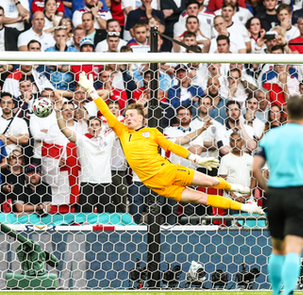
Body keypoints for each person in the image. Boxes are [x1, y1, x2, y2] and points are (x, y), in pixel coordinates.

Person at [77, 72, 263, 215]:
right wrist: (89, 89)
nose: (127, 118)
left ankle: (235, 190)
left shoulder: (153, 132)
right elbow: (105, 110)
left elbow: (172, 147)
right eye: (126, 116)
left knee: (212, 182)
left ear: (142, 118)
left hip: (170, 171)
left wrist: (197, 159)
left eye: (131, 115)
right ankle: (247, 208)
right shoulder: (122, 131)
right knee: (201, 198)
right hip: (159, 186)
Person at [252, 96, 303, 295]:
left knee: (277, 249)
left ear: (285, 113)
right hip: (298, 195)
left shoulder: (272, 135)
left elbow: (255, 168)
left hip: (275, 195)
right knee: (294, 249)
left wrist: (268, 189)